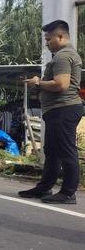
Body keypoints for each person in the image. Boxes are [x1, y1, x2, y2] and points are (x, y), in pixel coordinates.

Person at [18, 20, 82, 204]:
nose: (46, 43)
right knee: (52, 151)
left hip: (64, 109)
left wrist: (37, 83)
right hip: (58, 110)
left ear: (60, 36)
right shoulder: (62, 55)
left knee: (66, 151)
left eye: (48, 39)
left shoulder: (63, 56)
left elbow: (61, 84)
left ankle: (68, 193)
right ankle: (44, 188)